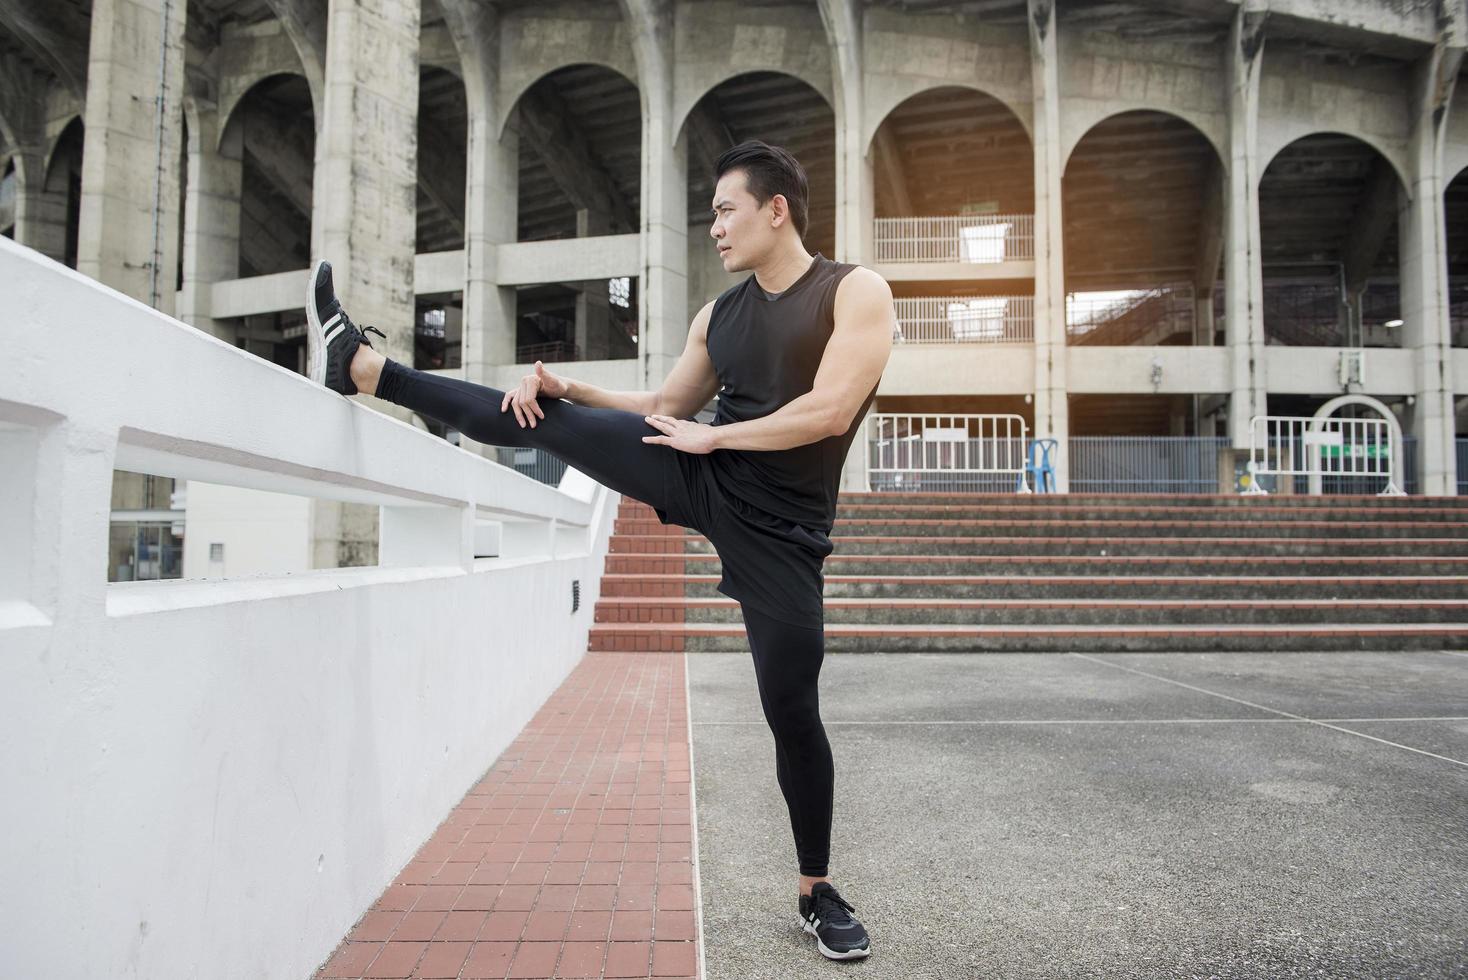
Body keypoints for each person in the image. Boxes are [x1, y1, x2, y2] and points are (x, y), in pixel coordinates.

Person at [304, 139, 893, 961]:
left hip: (783, 531)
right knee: (545, 417)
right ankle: (363, 367)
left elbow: (831, 411)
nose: (715, 228)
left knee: (791, 708)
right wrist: (569, 388)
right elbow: (662, 403)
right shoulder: (718, 316)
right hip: (704, 472)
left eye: (726, 210)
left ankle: (815, 889)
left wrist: (716, 441)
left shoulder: (854, 292)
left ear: (776, 209)